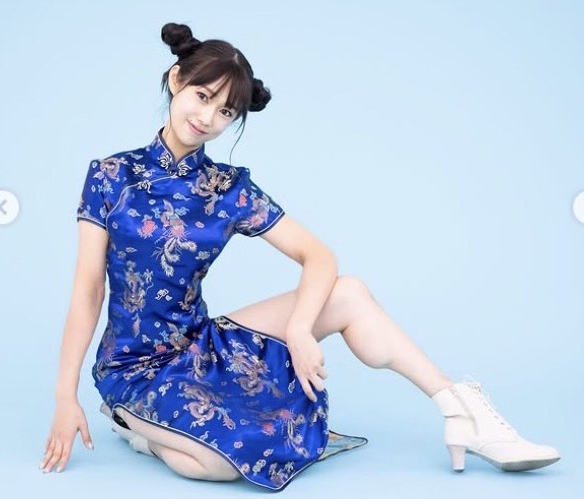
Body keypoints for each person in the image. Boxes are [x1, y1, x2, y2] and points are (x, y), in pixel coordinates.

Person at [39, 21, 561, 491]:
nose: (208, 118)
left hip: (199, 348)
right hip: (133, 368)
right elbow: (89, 292)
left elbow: (320, 256)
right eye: (202, 96)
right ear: (176, 80)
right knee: (211, 465)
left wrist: (299, 328)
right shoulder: (111, 176)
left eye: (225, 112)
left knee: (349, 293)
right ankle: (135, 427)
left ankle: (459, 408)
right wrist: (66, 396)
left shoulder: (228, 188)